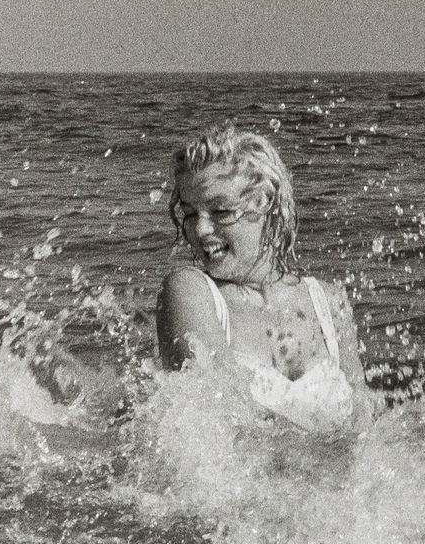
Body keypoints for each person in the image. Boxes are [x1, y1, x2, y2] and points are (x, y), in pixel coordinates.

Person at [155, 123, 375, 432]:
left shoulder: (328, 303)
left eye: (220, 211)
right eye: (190, 214)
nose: (200, 230)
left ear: (264, 202)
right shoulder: (189, 292)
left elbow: (365, 426)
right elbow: (222, 421)